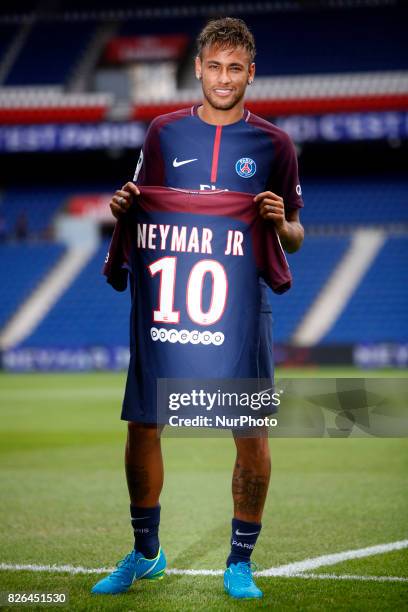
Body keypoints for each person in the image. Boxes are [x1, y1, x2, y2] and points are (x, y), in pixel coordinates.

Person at [92, 17, 304, 600]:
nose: (223, 78)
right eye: (214, 66)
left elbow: (296, 236)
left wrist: (278, 222)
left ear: (250, 74)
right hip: (168, 305)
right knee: (143, 423)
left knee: (251, 432)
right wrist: (122, 208)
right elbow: (140, 205)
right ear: (198, 69)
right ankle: (145, 552)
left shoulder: (275, 145)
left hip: (240, 309)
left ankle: (239, 561)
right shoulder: (162, 134)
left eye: (235, 68)